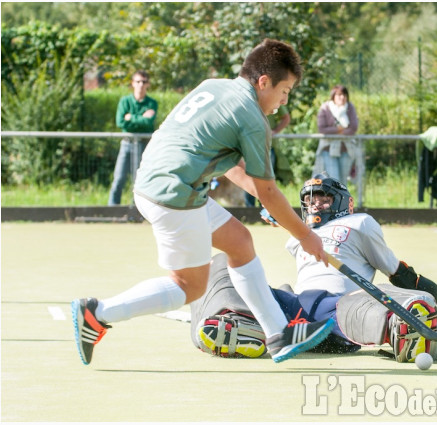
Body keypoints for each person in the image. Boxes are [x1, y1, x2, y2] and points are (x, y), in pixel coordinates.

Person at [71, 39, 335, 366]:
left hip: (157, 182)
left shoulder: (215, 87)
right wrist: (305, 235)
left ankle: (279, 336)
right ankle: (96, 313)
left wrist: (269, 203)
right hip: (175, 193)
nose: (284, 100)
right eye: (285, 90)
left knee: (239, 242)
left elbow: (235, 169)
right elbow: (268, 191)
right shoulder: (253, 118)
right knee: (189, 285)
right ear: (263, 82)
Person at [190, 173, 437, 363]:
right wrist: (285, 218)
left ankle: (398, 325)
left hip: (340, 308)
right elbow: (295, 225)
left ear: (347, 203)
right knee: (223, 262)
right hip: (293, 312)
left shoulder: (360, 223)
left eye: (324, 199)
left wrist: (423, 288)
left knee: (373, 296)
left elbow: (393, 269)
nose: (315, 205)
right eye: (310, 201)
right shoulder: (298, 235)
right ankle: (240, 322)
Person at [108, 70, 158, 205]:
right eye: (138, 81)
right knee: (119, 178)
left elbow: (148, 123)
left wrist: (131, 118)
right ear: (132, 83)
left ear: (148, 84)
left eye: (144, 82)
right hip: (127, 143)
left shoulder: (152, 103)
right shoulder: (125, 101)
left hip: (144, 144)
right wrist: (141, 118)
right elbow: (121, 122)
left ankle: (137, 210)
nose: (141, 85)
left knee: (140, 181)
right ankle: (113, 209)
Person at [244, 105, 291, 207]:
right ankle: (249, 211)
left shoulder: (274, 96)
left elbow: (286, 118)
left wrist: (275, 131)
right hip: (250, 145)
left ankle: (266, 210)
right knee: (249, 178)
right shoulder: (247, 99)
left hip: (268, 147)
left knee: (266, 180)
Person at [314, 85, 359, 182]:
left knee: (343, 183)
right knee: (334, 180)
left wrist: (336, 131)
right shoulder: (325, 108)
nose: (342, 97)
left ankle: (342, 198)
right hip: (328, 149)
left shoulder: (350, 107)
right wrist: (339, 129)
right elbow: (322, 129)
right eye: (339, 95)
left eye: (344, 95)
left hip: (346, 149)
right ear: (333, 96)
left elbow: (353, 128)